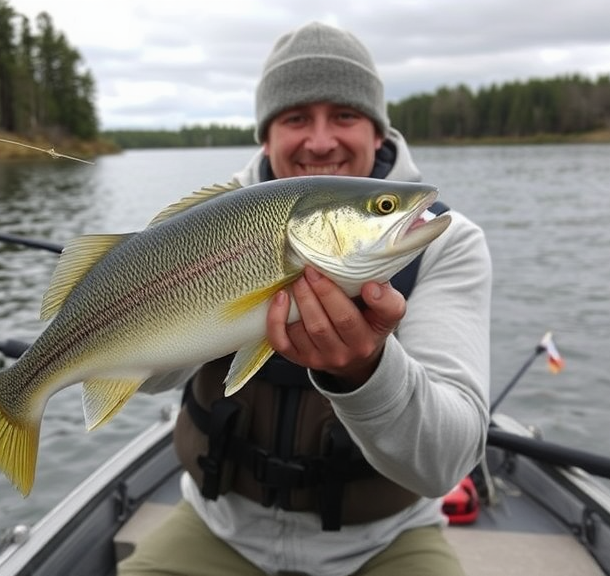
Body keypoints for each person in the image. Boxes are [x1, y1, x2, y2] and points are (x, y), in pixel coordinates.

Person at [119, 21, 491, 576]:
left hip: (385, 542)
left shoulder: (445, 240)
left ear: (379, 131)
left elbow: (447, 463)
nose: (320, 141)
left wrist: (367, 370)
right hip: (219, 527)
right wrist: (143, 319)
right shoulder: (208, 225)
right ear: (266, 137)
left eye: (344, 115)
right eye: (296, 118)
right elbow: (148, 381)